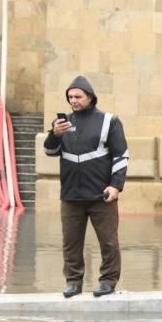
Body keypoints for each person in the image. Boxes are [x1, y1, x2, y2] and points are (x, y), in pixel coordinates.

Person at [43, 76, 128, 298]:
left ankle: (108, 281)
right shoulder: (62, 124)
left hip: (102, 195)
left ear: (90, 97)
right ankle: (73, 282)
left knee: (108, 241)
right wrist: (54, 135)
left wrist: (116, 186)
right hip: (71, 195)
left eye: (78, 96)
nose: (73, 101)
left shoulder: (109, 121)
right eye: (70, 97)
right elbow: (50, 152)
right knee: (71, 242)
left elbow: (121, 155)